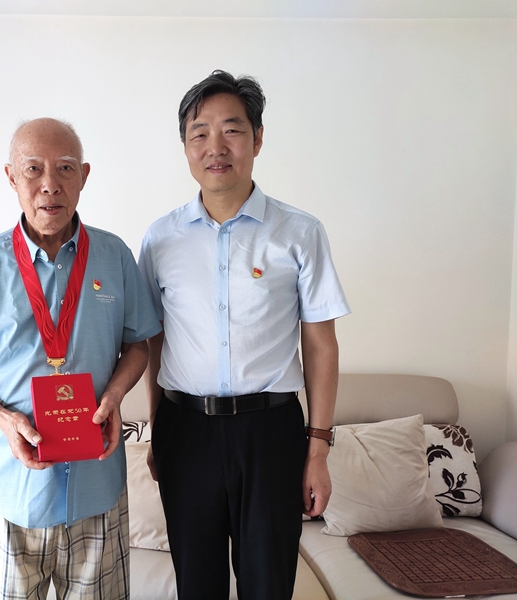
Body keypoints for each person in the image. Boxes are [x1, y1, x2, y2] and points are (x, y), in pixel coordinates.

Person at [138, 70, 351, 600]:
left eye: (232, 130)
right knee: (197, 585)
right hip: (185, 430)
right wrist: (158, 427)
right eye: (200, 133)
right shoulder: (160, 239)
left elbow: (320, 344)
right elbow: (153, 340)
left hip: (271, 433)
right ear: (185, 147)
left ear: (257, 139)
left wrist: (318, 449)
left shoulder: (300, 232)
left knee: (268, 584)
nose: (216, 146)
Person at [0, 117, 161, 600]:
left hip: (97, 489)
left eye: (65, 168)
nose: (50, 185)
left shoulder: (115, 257)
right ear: (11, 177)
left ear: (84, 176)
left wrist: (115, 394)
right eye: (33, 169)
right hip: (11, 493)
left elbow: (138, 344)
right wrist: (5, 420)